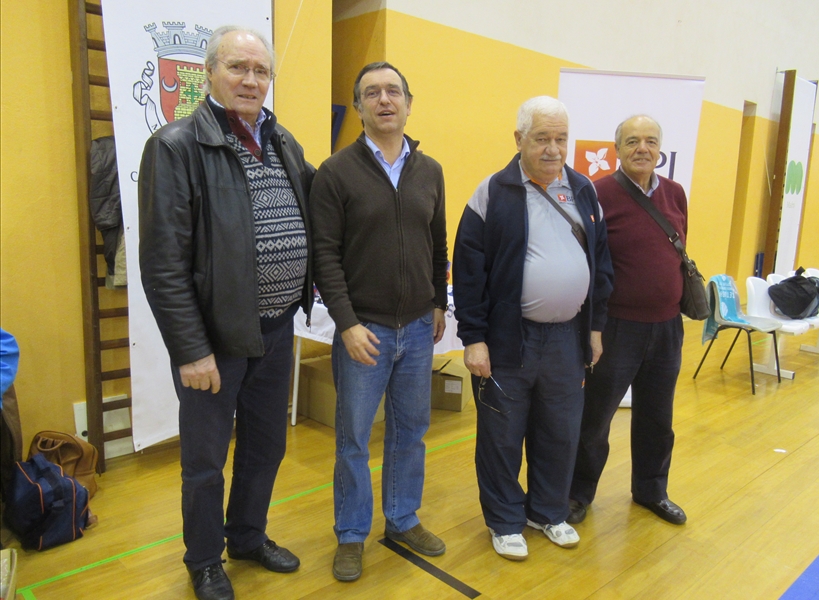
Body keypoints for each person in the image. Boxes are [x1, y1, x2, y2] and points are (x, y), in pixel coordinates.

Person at [139, 26, 315, 600]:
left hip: (277, 330)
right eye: (238, 67)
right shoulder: (175, 146)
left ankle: (246, 537)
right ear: (210, 72)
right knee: (205, 462)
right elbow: (163, 264)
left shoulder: (283, 141)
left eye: (261, 71)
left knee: (266, 447)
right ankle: (204, 559)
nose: (250, 80)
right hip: (214, 341)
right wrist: (191, 350)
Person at [452, 96, 614, 561]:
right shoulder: (493, 191)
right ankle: (505, 521)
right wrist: (474, 339)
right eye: (542, 138)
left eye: (561, 138)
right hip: (509, 338)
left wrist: (595, 327)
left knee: (561, 432)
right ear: (519, 139)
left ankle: (547, 511)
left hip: (567, 338)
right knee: (502, 436)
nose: (553, 149)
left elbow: (601, 262)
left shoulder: (583, 190)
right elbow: (468, 272)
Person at [309, 62, 449, 582]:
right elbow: (324, 256)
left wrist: (438, 302)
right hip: (363, 332)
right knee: (353, 438)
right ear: (359, 107)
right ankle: (351, 533)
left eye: (393, 91)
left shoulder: (430, 171)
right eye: (372, 93)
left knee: (411, 431)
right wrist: (346, 323)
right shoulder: (335, 172)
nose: (384, 100)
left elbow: (438, 241)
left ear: (409, 104)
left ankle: (402, 518)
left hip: (418, 329)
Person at [568, 115, 689, 527]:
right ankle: (577, 494)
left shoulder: (675, 194)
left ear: (660, 150)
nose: (643, 148)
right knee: (595, 419)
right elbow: (587, 262)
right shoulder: (598, 194)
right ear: (617, 149)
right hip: (616, 328)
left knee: (658, 418)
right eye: (633, 141)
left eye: (651, 141)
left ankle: (652, 490)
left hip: (667, 327)